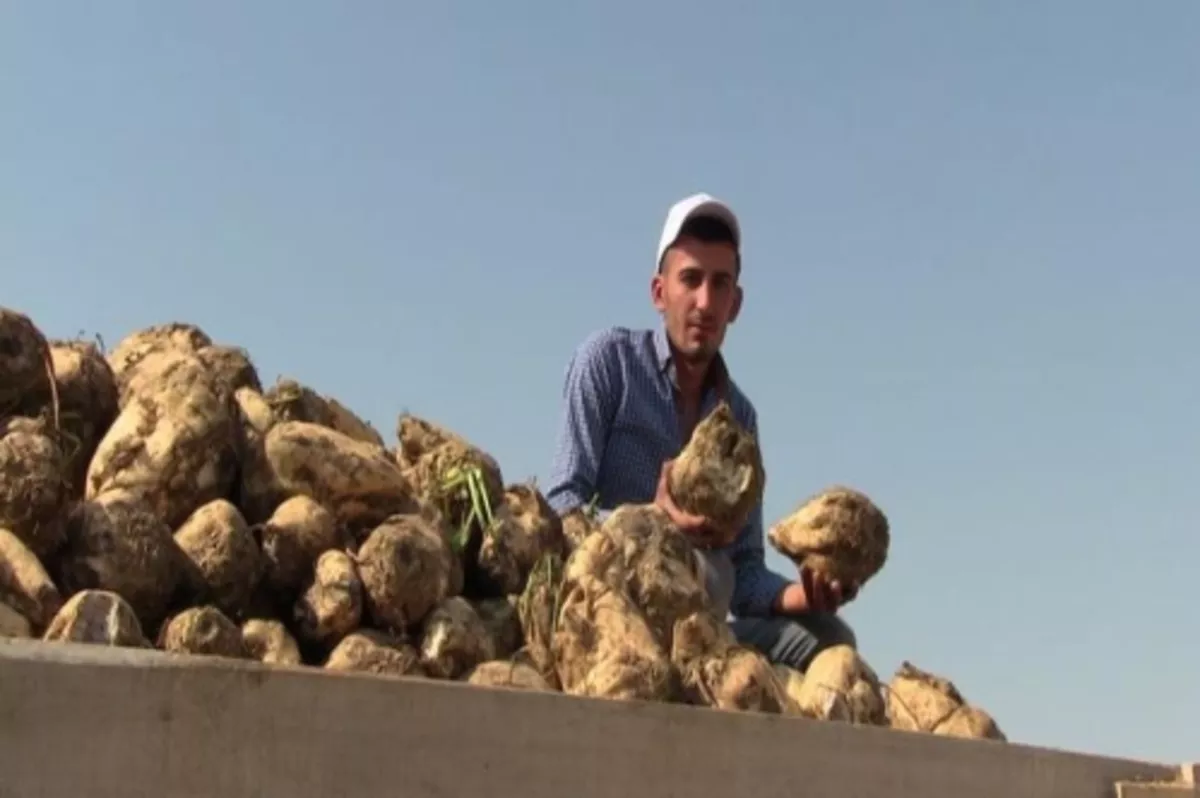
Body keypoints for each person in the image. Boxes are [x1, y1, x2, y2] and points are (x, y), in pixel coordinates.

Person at [544, 191, 859, 673]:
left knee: (831, 637)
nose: (704, 302)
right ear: (658, 291)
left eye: (720, 284)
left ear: (736, 303)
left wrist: (807, 593)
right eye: (690, 280)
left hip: (702, 631)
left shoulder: (740, 420)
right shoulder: (608, 365)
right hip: (609, 619)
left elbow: (747, 574)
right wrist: (651, 520)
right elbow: (561, 507)